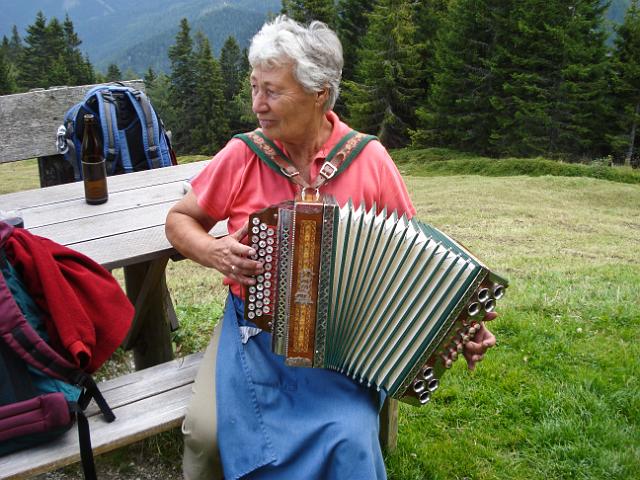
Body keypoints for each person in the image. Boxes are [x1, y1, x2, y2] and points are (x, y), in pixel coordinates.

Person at [165, 15, 497, 480]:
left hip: (346, 345)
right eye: (254, 87)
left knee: (350, 435)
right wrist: (214, 251)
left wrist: (462, 326)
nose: (257, 104)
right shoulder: (243, 154)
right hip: (254, 331)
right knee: (206, 434)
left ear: (319, 93)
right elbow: (180, 221)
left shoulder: (370, 159)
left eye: (273, 91)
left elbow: (419, 263)